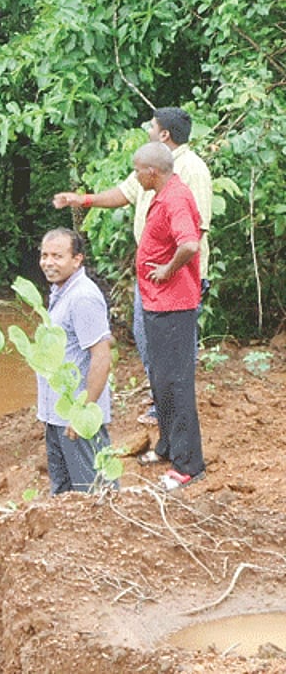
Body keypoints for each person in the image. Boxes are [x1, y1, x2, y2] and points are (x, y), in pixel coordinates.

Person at [52, 107, 212, 426]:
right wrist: (81, 200)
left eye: (152, 126)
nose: (148, 129)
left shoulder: (191, 169)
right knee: (145, 336)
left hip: (177, 277)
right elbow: (123, 194)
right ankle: (164, 401)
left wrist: (169, 267)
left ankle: (175, 408)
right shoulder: (150, 163)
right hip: (151, 274)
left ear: (164, 133)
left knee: (173, 346)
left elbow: (195, 230)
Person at [129, 142, 205, 491]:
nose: (135, 176)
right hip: (158, 302)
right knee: (161, 380)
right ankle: (168, 445)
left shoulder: (174, 198)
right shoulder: (163, 194)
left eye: (137, 170)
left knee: (176, 382)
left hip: (174, 304)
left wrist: (167, 270)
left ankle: (188, 464)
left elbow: (189, 244)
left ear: (152, 172)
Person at [36, 228, 115, 495]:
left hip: (77, 419)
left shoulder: (83, 297)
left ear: (77, 259)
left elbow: (102, 357)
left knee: (94, 496)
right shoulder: (61, 292)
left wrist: (83, 412)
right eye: (45, 255)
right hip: (57, 417)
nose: (48, 262)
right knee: (64, 497)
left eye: (57, 256)